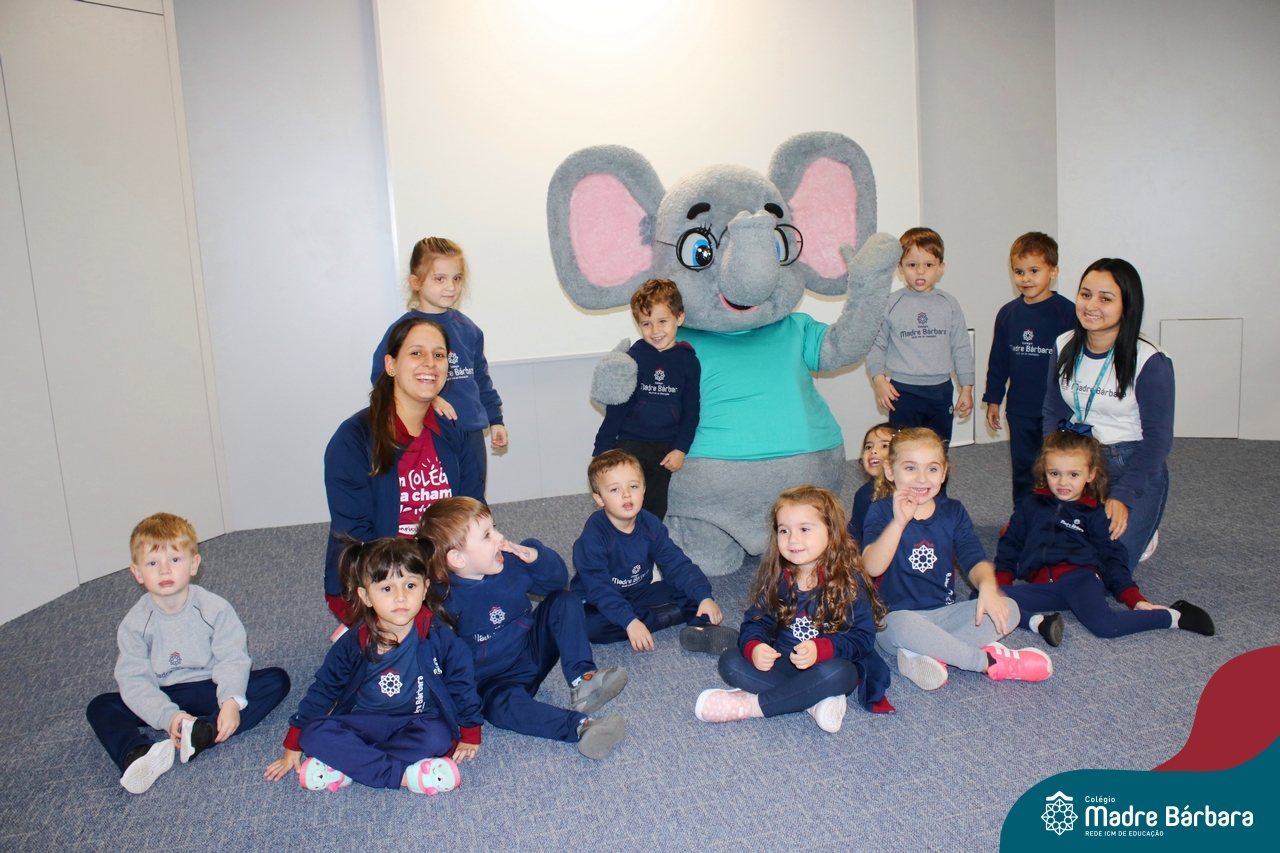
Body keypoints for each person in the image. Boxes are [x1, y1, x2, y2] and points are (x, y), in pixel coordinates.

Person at [86, 513, 290, 794]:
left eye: (174, 559)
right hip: (163, 693)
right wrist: (168, 717)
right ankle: (138, 753)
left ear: (194, 564)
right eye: (153, 563)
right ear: (137, 573)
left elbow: (232, 658)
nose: (164, 571)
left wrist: (231, 701)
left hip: (210, 687)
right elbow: (135, 681)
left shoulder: (214, 608)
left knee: (276, 680)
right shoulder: (134, 624)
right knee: (101, 707)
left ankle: (203, 732)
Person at [264, 538, 482, 794]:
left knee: (440, 737)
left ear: (425, 589)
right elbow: (324, 689)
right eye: (387, 588)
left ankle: (349, 764)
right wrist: (293, 743)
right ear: (366, 596)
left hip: (418, 721)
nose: (400, 597)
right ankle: (402, 776)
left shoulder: (440, 637)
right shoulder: (353, 641)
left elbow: (461, 684)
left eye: (410, 585)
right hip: (363, 721)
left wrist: (470, 732)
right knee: (312, 734)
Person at [423, 497, 628, 760]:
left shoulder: (510, 564)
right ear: (457, 558)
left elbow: (557, 583)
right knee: (501, 710)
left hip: (530, 651)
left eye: (495, 528)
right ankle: (582, 727)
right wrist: (466, 724)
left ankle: (583, 679)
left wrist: (535, 557)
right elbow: (451, 672)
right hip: (492, 682)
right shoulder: (444, 603)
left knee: (565, 601)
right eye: (487, 535)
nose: (500, 537)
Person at [861, 428, 1053, 690]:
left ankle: (926, 654)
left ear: (944, 473)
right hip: (896, 619)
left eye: (932, 469)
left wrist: (988, 588)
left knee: (1009, 608)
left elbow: (974, 557)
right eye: (910, 468)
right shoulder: (881, 510)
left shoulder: (953, 511)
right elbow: (871, 567)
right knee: (901, 626)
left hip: (944, 614)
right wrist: (898, 523)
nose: (921, 478)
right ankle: (986, 661)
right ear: (890, 471)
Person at [693, 486, 894, 733]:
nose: (793, 540)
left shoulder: (849, 582)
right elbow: (755, 622)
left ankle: (754, 706)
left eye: (804, 529)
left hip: (826, 664)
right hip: (784, 661)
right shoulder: (777, 577)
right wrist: (755, 647)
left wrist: (822, 649)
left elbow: (862, 639)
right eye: (784, 530)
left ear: (831, 532)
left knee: (841, 674)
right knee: (730, 662)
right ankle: (812, 701)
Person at [325, 315, 484, 625]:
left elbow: (471, 512)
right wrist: (414, 586)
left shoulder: (454, 431)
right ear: (390, 365)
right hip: (380, 578)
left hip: (441, 571)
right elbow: (356, 536)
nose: (430, 363)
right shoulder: (354, 438)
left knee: (502, 614)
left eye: (439, 355)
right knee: (431, 644)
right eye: (416, 353)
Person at [995, 429, 1214, 644]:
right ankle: (1039, 624)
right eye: (1055, 474)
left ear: (1090, 474)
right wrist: (1001, 585)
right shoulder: (1032, 504)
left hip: (1079, 580)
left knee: (1105, 626)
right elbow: (1010, 543)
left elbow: (1112, 556)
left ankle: (1173, 616)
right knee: (983, 598)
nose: (1063, 483)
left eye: (1073, 475)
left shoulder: (1095, 513)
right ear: (1045, 470)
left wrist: (1134, 599)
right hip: (1043, 586)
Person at [1042, 258, 1173, 569]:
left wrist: (1124, 495)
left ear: (1127, 306)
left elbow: (1158, 439)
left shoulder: (1149, 359)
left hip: (1130, 462)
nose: (1091, 306)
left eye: (1105, 298)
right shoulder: (1064, 344)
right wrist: (1057, 466)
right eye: (1085, 294)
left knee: (1105, 571)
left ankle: (1142, 524)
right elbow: (1052, 409)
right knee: (1050, 561)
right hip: (1079, 459)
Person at [371, 237, 506, 495]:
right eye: (439, 278)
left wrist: (495, 419)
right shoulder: (403, 330)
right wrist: (429, 399)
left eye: (457, 278)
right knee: (438, 499)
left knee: (472, 498)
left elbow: (480, 379)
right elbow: (382, 377)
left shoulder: (469, 329)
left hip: (470, 430)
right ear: (416, 282)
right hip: (428, 432)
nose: (451, 287)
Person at [571, 449, 737, 654]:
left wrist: (704, 597)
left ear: (643, 490)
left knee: (691, 590)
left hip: (640, 591)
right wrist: (629, 621)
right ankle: (656, 618)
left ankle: (700, 628)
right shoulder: (594, 537)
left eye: (633, 486)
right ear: (599, 499)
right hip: (598, 598)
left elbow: (676, 563)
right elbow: (599, 588)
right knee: (589, 625)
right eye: (614, 490)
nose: (626, 494)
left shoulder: (650, 523)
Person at [592, 278, 701, 521]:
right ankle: (621, 539)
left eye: (663, 321)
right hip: (630, 443)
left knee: (655, 507)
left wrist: (680, 449)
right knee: (622, 502)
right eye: (646, 324)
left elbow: (691, 410)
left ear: (679, 318)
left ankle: (648, 541)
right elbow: (618, 405)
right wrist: (602, 447)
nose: (655, 330)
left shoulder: (689, 361)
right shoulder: (634, 358)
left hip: (665, 447)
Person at [982, 232, 1076, 506]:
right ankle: (1023, 517)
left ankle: (1059, 518)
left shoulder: (1067, 313)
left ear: (1053, 271)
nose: (1026, 278)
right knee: (1024, 468)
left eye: (1034, 271)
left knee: (1058, 467)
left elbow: (1077, 363)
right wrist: (993, 399)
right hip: (1020, 408)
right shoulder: (1007, 314)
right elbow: (998, 360)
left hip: (1058, 410)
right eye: (1019, 271)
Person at [866, 228, 975, 445]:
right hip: (903, 391)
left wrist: (967, 388)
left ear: (940, 268)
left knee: (938, 448)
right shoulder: (890, 303)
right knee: (903, 449)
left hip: (941, 390)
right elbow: (876, 344)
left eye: (929, 265)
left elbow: (961, 347)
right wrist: (879, 379)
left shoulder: (949, 304)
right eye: (912, 265)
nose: (920, 272)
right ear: (900, 267)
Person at [846, 422, 898, 549]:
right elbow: (855, 536)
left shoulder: (915, 490)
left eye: (884, 446)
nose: (873, 451)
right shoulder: (863, 494)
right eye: (868, 447)